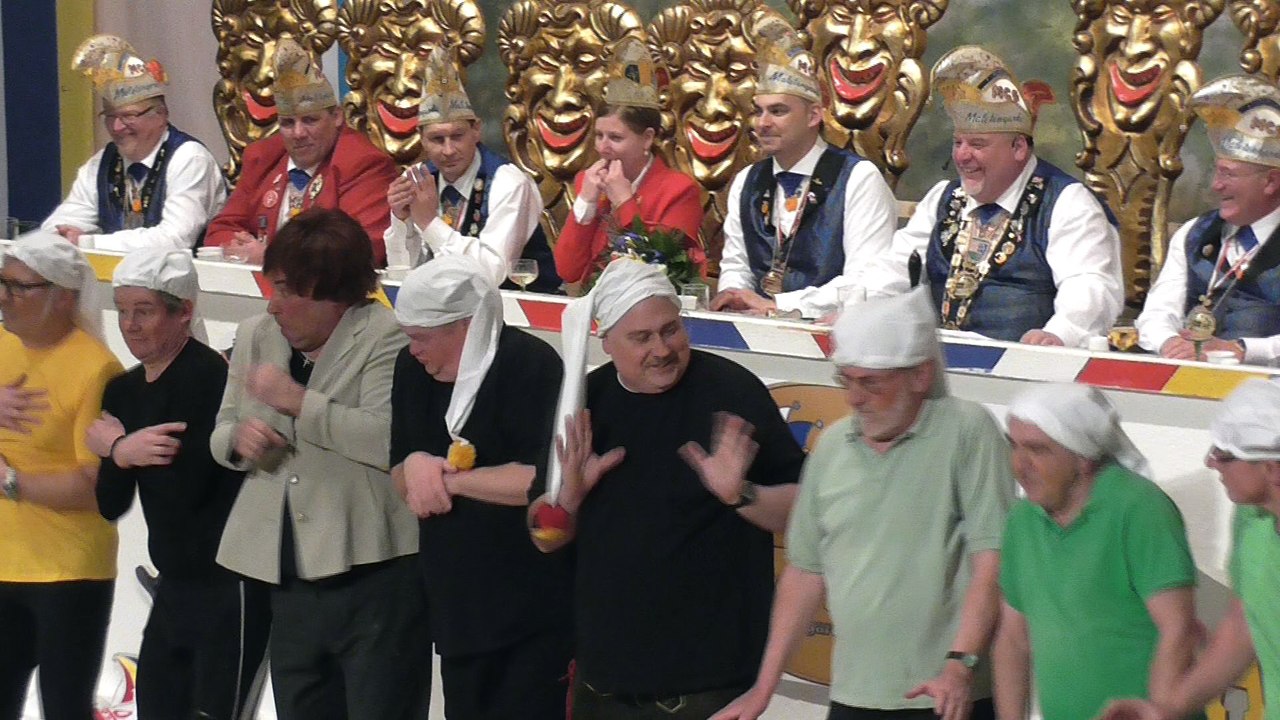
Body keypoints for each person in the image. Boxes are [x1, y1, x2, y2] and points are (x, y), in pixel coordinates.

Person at [713, 288, 1015, 720]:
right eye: (847, 381)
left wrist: (960, 662)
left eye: (871, 383)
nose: (854, 398)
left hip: (946, 695)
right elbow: (804, 572)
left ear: (921, 375)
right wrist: (764, 688)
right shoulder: (834, 446)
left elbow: (993, 559)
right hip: (854, 695)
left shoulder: (967, 431)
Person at [529, 258, 804, 719]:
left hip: (707, 687)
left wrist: (740, 494)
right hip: (603, 683)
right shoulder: (584, 403)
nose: (662, 349)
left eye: (671, 330)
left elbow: (803, 510)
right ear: (606, 341)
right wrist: (568, 502)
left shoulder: (733, 392)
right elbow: (543, 537)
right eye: (642, 338)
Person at [210, 208, 429, 718]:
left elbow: (387, 438)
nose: (274, 305)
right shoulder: (257, 334)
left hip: (373, 568)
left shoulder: (387, 336)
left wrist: (296, 401)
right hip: (288, 569)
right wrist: (239, 439)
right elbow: (222, 428)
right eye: (274, 286)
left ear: (334, 293)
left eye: (288, 290)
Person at [86, 248, 270, 719]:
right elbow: (110, 503)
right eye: (122, 311)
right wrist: (123, 454)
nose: (130, 325)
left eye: (143, 311)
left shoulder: (211, 379)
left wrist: (119, 450)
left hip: (230, 586)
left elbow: (193, 491)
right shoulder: (123, 391)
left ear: (184, 311)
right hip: (173, 586)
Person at [390, 255, 572, 718]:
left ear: (466, 326)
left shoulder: (529, 365)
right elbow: (400, 470)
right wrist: (414, 467)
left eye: (422, 337)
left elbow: (542, 480)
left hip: (529, 608)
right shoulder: (410, 370)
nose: (414, 350)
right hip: (456, 605)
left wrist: (451, 481)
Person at [863, 46, 1123, 347]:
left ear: (1018, 148)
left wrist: (1060, 333)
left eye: (977, 144)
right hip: (938, 364)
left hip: (1028, 368)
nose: (962, 156)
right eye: (958, 143)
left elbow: (1089, 285)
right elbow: (895, 268)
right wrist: (861, 309)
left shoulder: (1068, 204)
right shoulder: (943, 198)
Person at [994, 384, 1199, 720]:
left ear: (1083, 457)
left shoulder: (1140, 508)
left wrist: (1156, 713)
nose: (1019, 464)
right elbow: (1014, 638)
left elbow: (1178, 631)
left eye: (1037, 450)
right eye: (1013, 446)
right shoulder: (1023, 519)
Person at [1099, 378, 1280, 720]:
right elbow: (1246, 623)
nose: (1210, 462)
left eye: (1223, 455)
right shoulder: (1252, 517)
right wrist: (1168, 708)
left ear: (1272, 469)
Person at [0, 232, 124, 720]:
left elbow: (93, 489)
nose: (5, 297)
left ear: (65, 297)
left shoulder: (96, 369)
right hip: (4, 562)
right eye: (3, 283)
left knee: (64, 708)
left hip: (68, 572)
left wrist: (9, 481)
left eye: (20, 287)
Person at [712, 9, 896, 319]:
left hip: (830, 334)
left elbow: (866, 283)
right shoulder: (747, 180)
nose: (762, 123)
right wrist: (736, 300)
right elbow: (735, 265)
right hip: (756, 329)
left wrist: (779, 306)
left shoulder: (857, 178)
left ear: (813, 116)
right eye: (758, 111)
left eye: (778, 111)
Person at [204, 38, 398, 266]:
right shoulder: (262, 157)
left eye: (310, 120)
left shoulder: (364, 163)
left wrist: (271, 258)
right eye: (287, 123)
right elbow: (220, 231)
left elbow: (359, 252)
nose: (298, 133)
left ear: (337, 116)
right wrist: (242, 249)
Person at [385, 46, 560, 293]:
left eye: (457, 136)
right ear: (421, 139)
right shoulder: (416, 179)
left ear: (476, 130)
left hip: (515, 309)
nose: (448, 150)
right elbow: (402, 273)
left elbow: (491, 273)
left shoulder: (508, 182)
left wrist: (430, 223)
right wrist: (401, 220)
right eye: (437, 139)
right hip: (438, 307)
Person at [1136, 75, 1280, 364]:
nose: (1216, 185)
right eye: (1217, 171)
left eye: (1229, 174)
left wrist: (1244, 350)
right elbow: (1157, 312)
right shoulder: (1196, 232)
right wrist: (1170, 342)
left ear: (1271, 182)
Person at [42, 35, 226, 251]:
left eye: (128, 116)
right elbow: (60, 223)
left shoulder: (189, 159)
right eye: (110, 116)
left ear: (161, 115)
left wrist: (88, 242)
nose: (117, 127)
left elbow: (175, 239)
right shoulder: (102, 163)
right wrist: (62, 235)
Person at [553, 37, 705, 286]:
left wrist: (625, 202)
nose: (603, 147)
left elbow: (662, 270)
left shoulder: (679, 190)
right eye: (599, 136)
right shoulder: (588, 182)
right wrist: (586, 202)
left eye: (615, 138)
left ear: (647, 138)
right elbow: (567, 270)